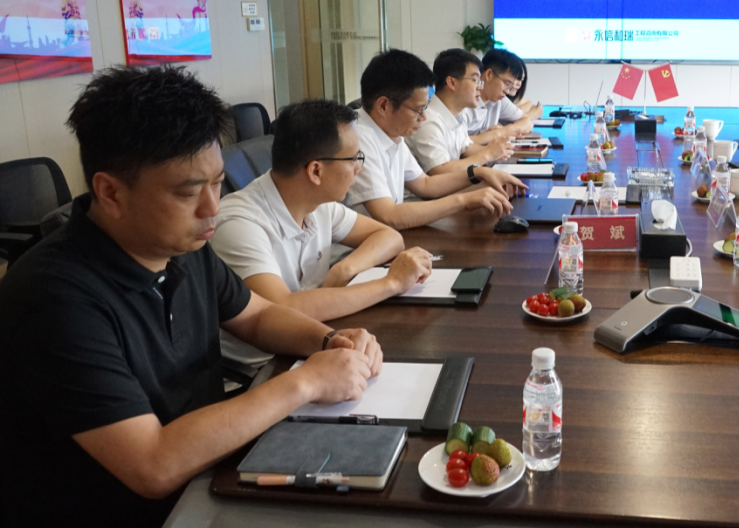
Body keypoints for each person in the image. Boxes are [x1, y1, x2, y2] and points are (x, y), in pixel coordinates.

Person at [0, 66, 382, 528]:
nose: (212, 208)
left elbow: (256, 317)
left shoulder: (182, 245)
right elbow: (152, 465)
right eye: (188, 192)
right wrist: (306, 382)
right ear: (110, 192)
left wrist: (328, 341)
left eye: (217, 183)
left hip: (208, 472)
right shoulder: (52, 300)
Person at [211, 100, 434, 362]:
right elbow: (281, 310)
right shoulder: (240, 223)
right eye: (353, 159)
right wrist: (391, 283)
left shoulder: (316, 202)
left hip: (311, 343)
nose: (359, 168)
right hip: (264, 368)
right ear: (316, 171)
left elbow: (389, 237)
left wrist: (345, 269)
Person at [345, 49, 528, 230]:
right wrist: (464, 200)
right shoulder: (357, 139)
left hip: (389, 236)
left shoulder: (392, 131)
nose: (423, 117)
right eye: (418, 110)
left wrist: (478, 173)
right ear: (384, 106)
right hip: (361, 245)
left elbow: (425, 184)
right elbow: (389, 216)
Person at [406, 48, 515, 175]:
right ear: (452, 83)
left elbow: (466, 148)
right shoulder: (428, 120)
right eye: (475, 80)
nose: (480, 87)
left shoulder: (457, 116)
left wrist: (498, 150)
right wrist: (487, 154)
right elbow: (440, 171)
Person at [464, 48, 538, 145]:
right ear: (489, 75)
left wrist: (507, 130)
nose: (507, 91)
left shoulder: (499, 100)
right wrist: (498, 133)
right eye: (507, 83)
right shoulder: (465, 101)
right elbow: (457, 143)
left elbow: (527, 122)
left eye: (510, 86)